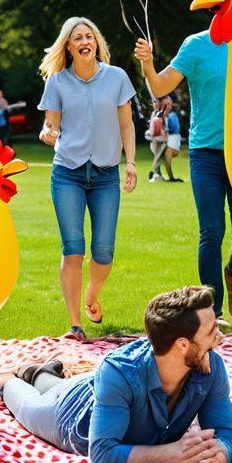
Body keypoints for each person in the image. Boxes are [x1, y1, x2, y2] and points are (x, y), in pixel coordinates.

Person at [0, 286, 232, 463]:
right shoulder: (119, 372)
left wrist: (219, 453)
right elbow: (102, 455)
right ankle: (8, 380)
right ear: (183, 345)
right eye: (212, 331)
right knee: (28, 406)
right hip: (70, 414)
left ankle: (40, 372)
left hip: (101, 389)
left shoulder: (209, 367)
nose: (220, 337)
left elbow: (229, 435)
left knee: (55, 385)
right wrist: (173, 453)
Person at [135, 32, 232, 325]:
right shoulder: (196, 45)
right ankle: (212, 313)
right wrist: (148, 64)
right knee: (211, 232)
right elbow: (160, 84)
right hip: (205, 153)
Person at [39, 17, 137, 336]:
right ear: (68, 46)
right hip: (68, 172)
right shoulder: (57, 81)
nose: (85, 41)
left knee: (104, 251)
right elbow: (51, 123)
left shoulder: (117, 78)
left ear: (96, 43)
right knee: (73, 249)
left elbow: (126, 124)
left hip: (107, 174)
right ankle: (75, 324)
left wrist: (132, 162)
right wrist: (48, 132)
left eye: (89, 36)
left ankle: (92, 293)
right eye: (78, 37)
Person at [146, 96, 168, 180]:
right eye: (153, 102)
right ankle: (159, 174)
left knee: (156, 158)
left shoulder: (161, 113)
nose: (154, 104)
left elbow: (161, 127)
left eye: (156, 102)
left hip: (160, 139)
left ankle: (155, 174)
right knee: (156, 157)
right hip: (154, 139)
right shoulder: (153, 113)